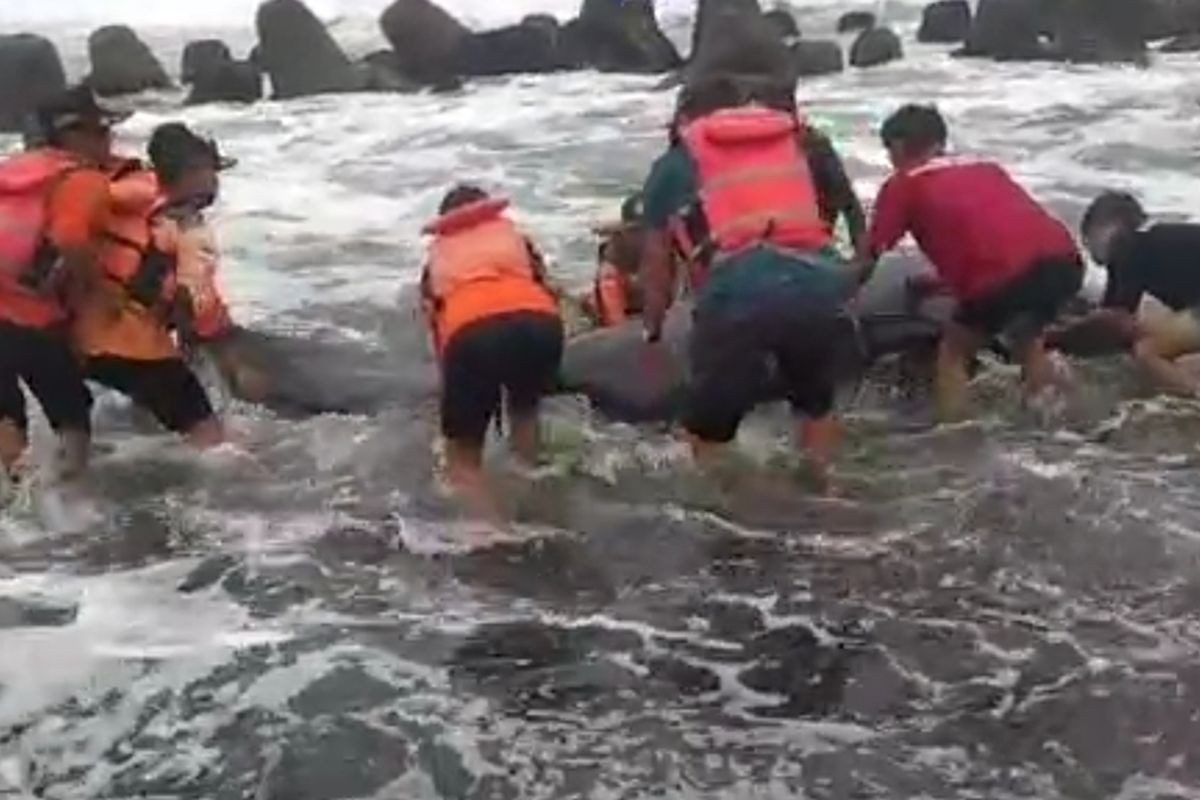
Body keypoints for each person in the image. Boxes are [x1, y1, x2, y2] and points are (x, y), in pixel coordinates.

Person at [639, 76, 861, 488]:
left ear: (685, 117)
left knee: (706, 430)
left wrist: (652, 329)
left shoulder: (676, 162)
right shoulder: (794, 141)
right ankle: (824, 492)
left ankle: (741, 517)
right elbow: (840, 203)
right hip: (817, 282)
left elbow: (656, 263)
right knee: (815, 404)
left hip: (739, 291)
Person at [858, 104, 1084, 422]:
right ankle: (1056, 419)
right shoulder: (985, 167)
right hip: (1064, 262)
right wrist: (947, 282)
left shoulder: (903, 185)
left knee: (953, 352)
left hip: (1003, 277)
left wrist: (838, 292)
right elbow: (993, 232)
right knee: (1028, 338)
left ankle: (957, 434)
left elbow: (870, 255)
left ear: (897, 146)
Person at [72, 122, 237, 448]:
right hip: (135, 347)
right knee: (215, 444)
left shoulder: (123, 194)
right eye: (211, 171)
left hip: (79, 342)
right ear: (191, 172)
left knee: (134, 419)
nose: (216, 184)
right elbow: (197, 306)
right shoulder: (184, 225)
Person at [0, 85, 123, 487]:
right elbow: (70, 237)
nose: (110, 140)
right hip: (31, 315)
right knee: (71, 414)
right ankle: (73, 515)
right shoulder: (82, 179)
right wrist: (97, 289)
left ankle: (16, 508)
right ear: (75, 136)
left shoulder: (14, 168)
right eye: (103, 130)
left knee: (6, 415)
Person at [419, 185, 563, 509]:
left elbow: (438, 326)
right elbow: (546, 286)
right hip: (540, 322)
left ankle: (491, 539)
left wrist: (453, 403)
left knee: (464, 458)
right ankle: (541, 502)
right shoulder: (516, 239)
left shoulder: (439, 256)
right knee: (525, 413)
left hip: (472, 331)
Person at [1055, 191, 1200, 396]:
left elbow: (1117, 318)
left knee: (1147, 351)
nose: (1087, 246)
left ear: (1110, 227)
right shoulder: (1145, 244)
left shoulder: (1129, 247)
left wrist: (1054, 335)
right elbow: (1111, 310)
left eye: (1088, 236)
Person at [586, 192, 646, 327]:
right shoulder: (613, 260)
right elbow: (616, 327)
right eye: (634, 231)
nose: (641, 236)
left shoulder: (673, 249)